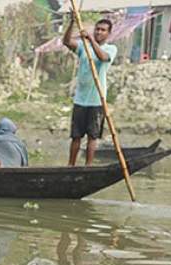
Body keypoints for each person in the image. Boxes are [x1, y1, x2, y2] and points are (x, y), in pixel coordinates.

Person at [63, 18, 117, 166]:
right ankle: (71, 166)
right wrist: (71, 23)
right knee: (76, 136)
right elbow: (66, 42)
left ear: (108, 33)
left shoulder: (110, 49)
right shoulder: (82, 47)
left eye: (103, 30)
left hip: (97, 100)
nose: (99, 32)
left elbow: (102, 57)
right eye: (97, 29)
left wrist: (91, 40)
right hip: (80, 99)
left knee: (92, 136)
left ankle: (88, 166)